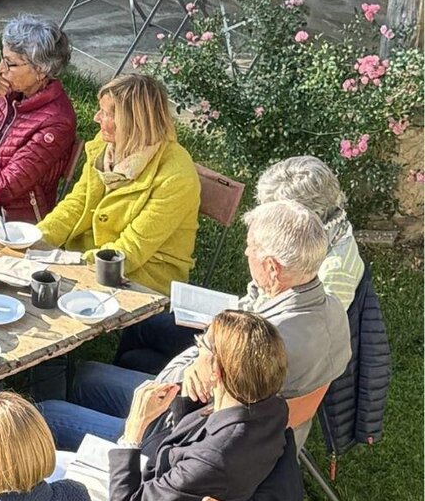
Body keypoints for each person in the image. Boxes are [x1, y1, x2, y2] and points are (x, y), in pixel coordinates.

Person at [40, 200, 350, 451]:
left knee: (46, 414)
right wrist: (206, 350)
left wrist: (203, 351)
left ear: (271, 267)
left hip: (174, 439)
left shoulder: (261, 343)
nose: (244, 253)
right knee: (88, 376)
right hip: (248, 434)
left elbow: (190, 398)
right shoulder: (331, 309)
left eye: (251, 247)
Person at [116, 154, 363, 374]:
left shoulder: (330, 275)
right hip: (243, 327)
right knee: (142, 331)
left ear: (298, 217)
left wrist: (213, 341)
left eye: (272, 214)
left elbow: (286, 344)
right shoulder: (328, 232)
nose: (247, 250)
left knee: (136, 354)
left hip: (245, 353)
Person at [103, 311, 290, 501]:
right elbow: (186, 443)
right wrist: (189, 397)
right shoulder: (269, 410)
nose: (195, 352)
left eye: (200, 346)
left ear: (216, 370)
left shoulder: (213, 460)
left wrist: (134, 429)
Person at [37, 74, 200, 295]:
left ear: (132, 121)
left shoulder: (176, 176)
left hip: (143, 279)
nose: (96, 118)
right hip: (91, 261)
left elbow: (131, 250)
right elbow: (76, 203)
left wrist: (65, 261)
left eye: (106, 113)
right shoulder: (105, 146)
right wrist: (36, 239)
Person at [0, 15, 78, 221]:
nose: (0, 68)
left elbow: (5, 188)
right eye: (2, 57)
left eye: (11, 64)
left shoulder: (57, 121)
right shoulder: (4, 93)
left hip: (7, 217)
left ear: (41, 70)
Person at [257, 156, 363, 309]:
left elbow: (316, 328)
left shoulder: (334, 273)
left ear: (304, 218)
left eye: (274, 216)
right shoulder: (324, 230)